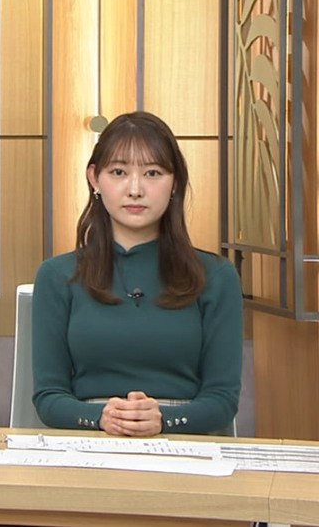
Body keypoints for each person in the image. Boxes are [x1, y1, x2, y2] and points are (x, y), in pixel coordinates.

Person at [31, 111, 240, 436]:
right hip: (90, 441)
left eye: (152, 173)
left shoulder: (216, 276)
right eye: (118, 172)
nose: (135, 189)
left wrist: (163, 420)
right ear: (94, 178)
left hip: (183, 442)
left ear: (175, 182)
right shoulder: (57, 276)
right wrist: (101, 417)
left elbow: (222, 400)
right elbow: (48, 398)